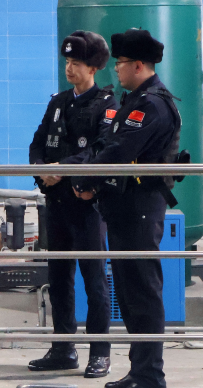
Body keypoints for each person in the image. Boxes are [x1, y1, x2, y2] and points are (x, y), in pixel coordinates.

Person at [67, 29, 182, 388]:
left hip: (140, 208)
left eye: (120, 63)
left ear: (138, 65)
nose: (115, 69)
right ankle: (140, 371)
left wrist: (87, 177)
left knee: (143, 291)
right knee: (130, 293)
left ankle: (150, 374)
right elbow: (107, 143)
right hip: (123, 207)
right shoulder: (133, 100)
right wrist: (91, 180)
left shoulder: (152, 105)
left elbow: (120, 151)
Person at [27, 31, 118, 378]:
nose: (69, 68)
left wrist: (61, 169)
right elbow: (37, 143)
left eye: (76, 63)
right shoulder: (58, 102)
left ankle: (100, 352)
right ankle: (63, 348)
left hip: (87, 206)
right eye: (67, 62)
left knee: (94, 280)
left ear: (93, 68)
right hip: (56, 204)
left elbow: (100, 150)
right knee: (59, 278)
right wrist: (41, 170)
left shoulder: (107, 105)